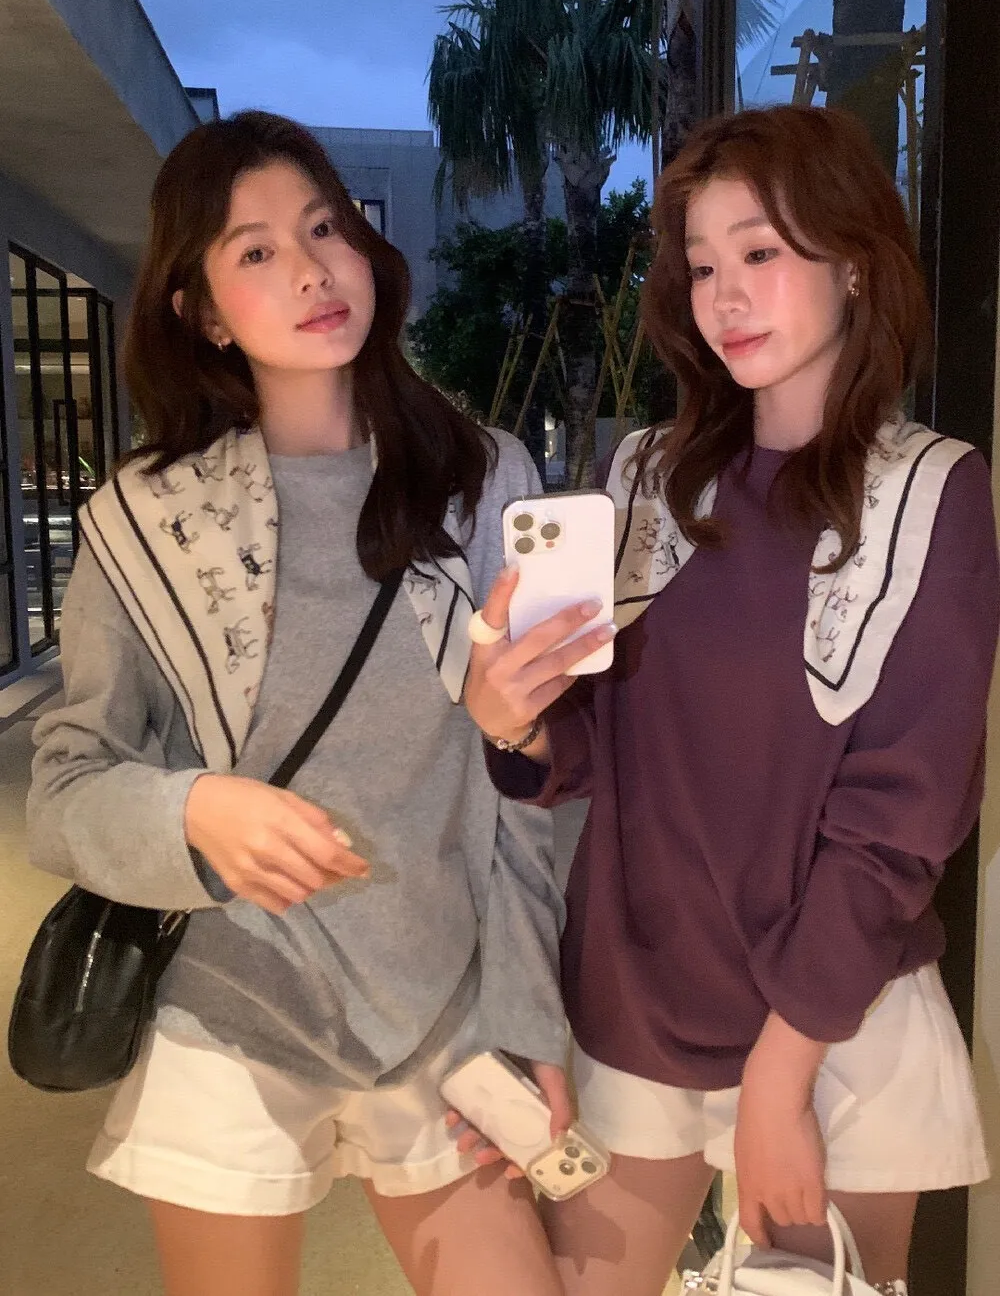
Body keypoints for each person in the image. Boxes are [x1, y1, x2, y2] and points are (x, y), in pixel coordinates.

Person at [26, 110, 572, 1296]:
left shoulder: (481, 483)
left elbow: (526, 802)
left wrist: (531, 1013)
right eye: (257, 250)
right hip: (231, 1002)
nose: (313, 270)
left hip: (439, 1001)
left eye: (324, 228)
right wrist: (190, 811)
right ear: (202, 310)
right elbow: (63, 786)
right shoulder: (146, 520)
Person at [462, 104, 1000, 1296]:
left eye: (760, 251)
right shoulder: (650, 475)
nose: (724, 295)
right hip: (639, 988)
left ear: (853, 260)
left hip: (833, 1015)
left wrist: (778, 1076)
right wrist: (513, 717)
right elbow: (601, 743)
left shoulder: (930, 492)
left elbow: (899, 821)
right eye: (702, 265)